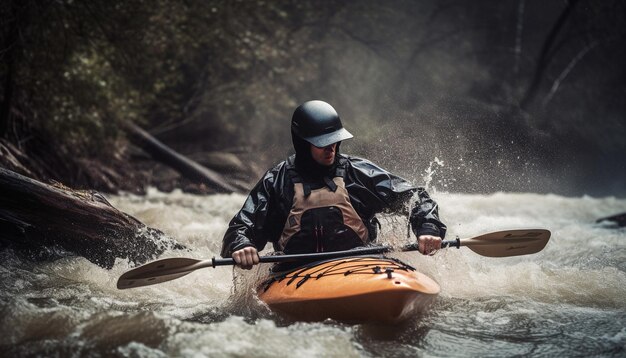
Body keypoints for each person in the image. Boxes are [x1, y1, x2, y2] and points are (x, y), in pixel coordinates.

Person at [221, 100, 446, 269]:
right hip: (294, 271)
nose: (332, 148)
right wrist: (241, 245)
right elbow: (240, 227)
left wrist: (428, 227)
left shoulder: (358, 172)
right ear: (302, 143)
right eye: (323, 143)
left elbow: (415, 198)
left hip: (361, 266)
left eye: (335, 140)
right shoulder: (276, 181)